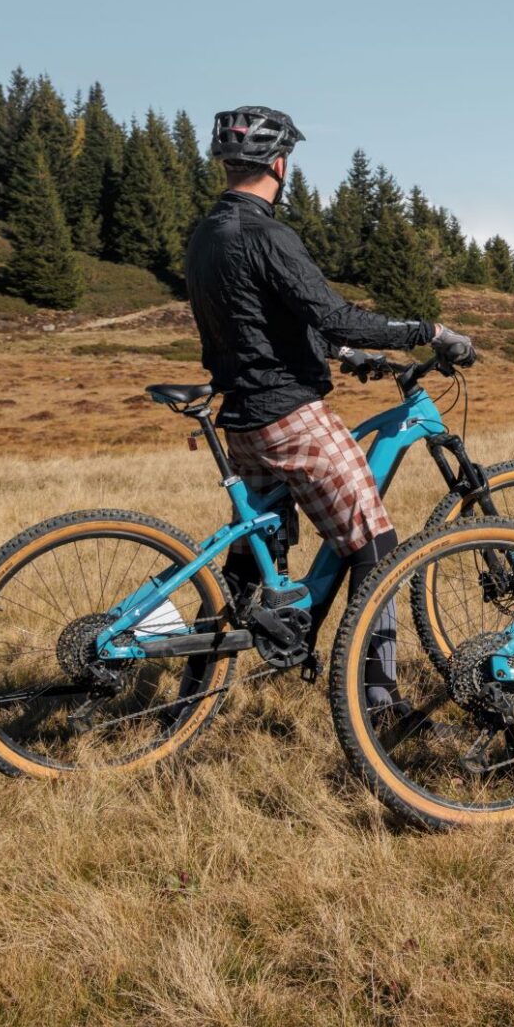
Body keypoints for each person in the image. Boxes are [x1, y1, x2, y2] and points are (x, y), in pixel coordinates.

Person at [181, 104, 474, 701]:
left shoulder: (207, 233)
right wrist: (427, 331)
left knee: (247, 559)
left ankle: (188, 696)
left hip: (242, 420)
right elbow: (335, 313)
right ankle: (379, 704)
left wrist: (337, 351)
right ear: (280, 165)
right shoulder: (269, 234)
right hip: (289, 417)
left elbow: (261, 319)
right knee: (377, 545)